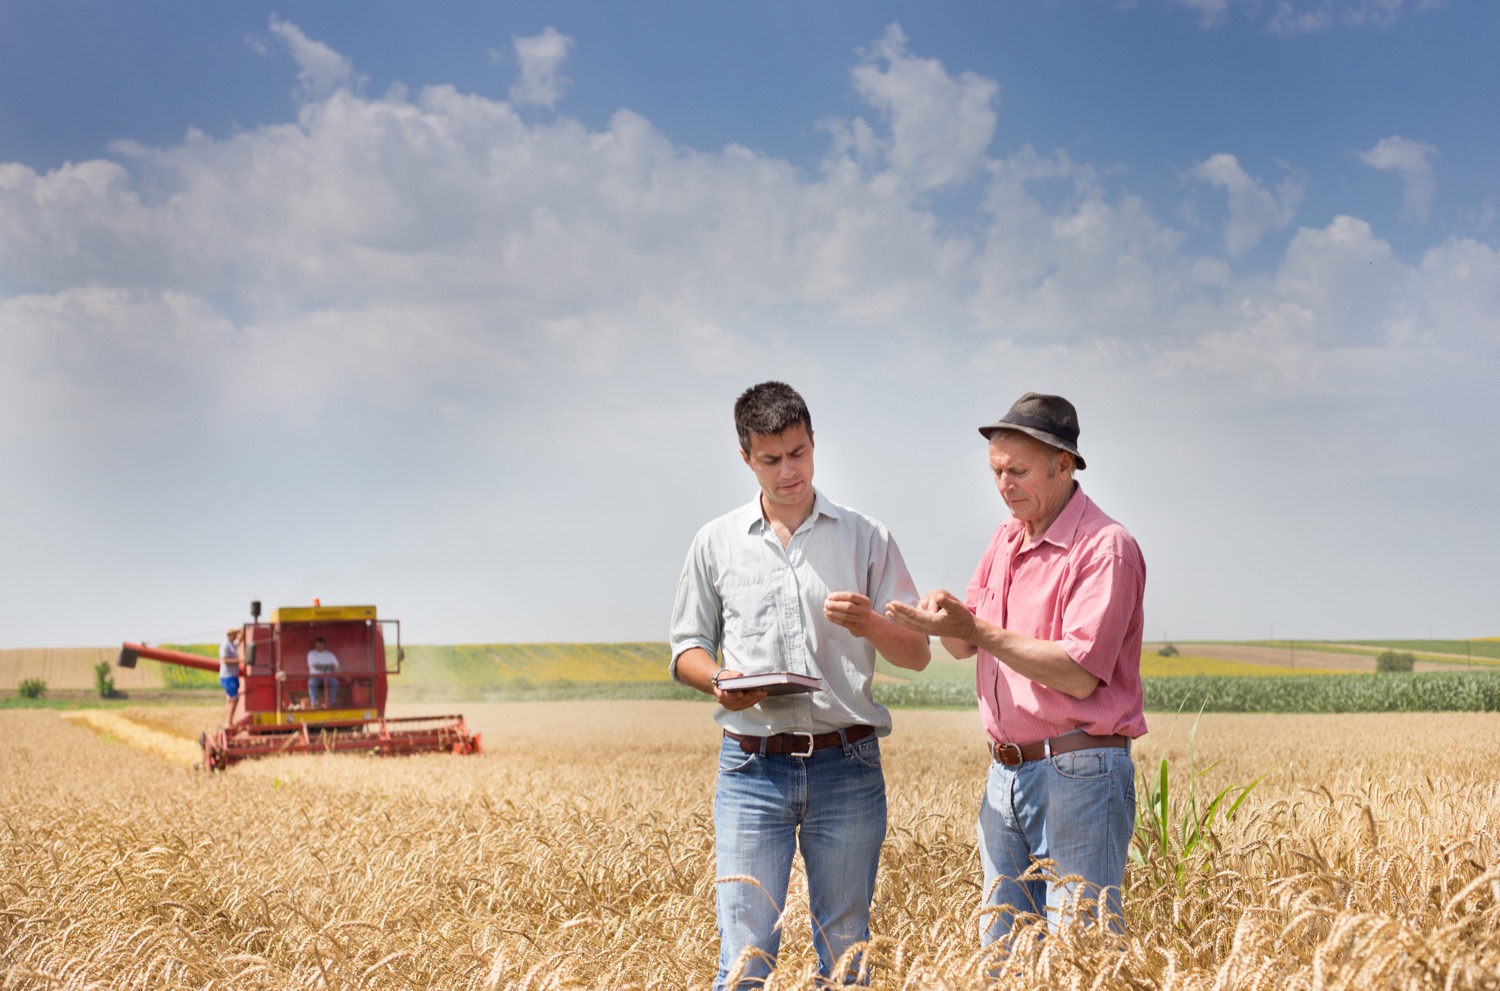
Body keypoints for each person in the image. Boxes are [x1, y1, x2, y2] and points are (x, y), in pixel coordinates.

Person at [670, 381, 931, 990]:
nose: (789, 470)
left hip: (848, 764)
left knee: (847, 958)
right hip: (750, 769)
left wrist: (871, 623)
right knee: (744, 956)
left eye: (799, 452)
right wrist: (719, 681)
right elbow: (686, 649)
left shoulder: (867, 537)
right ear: (745, 458)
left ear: (814, 443)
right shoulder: (715, 543)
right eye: (772, 459)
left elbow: (917, 653)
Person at [886, 392, 1146, 944]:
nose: (1005, 485)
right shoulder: (1006, 538)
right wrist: (943, 621)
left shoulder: (1104, 548)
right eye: (997, 471)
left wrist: (974, 629)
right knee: (1002, 954)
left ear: (1064, 464)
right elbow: (968, 646)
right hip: (1005, 775)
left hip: (1079, 771)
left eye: (1019, 471)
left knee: (1081, 954)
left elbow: (1078, 672)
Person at [307, 636, 341, 708]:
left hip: (328, 676)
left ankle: (332, 702)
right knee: (312, 683)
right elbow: (316, 667)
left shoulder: (330, 655)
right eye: (317, 645)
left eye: (320, 645)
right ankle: (314, 703)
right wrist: (329, 666)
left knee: (335, 682)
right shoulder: (311, 654)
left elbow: (337, 668)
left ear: (324, 645)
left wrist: (326, 667)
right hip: (315, 676)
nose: (318, 647)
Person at [218, 625, 243, 725]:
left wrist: (243, 632)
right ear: (230, 635)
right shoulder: (225, 645)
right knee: (234, 699)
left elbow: (239, 640)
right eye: (235, 633)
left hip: (232, 676)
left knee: (230, 699)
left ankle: (228, 721)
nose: (237, 635)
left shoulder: (233, 644)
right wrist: (239, 661)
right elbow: (225, 660)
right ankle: (229, 723)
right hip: (228, 677)